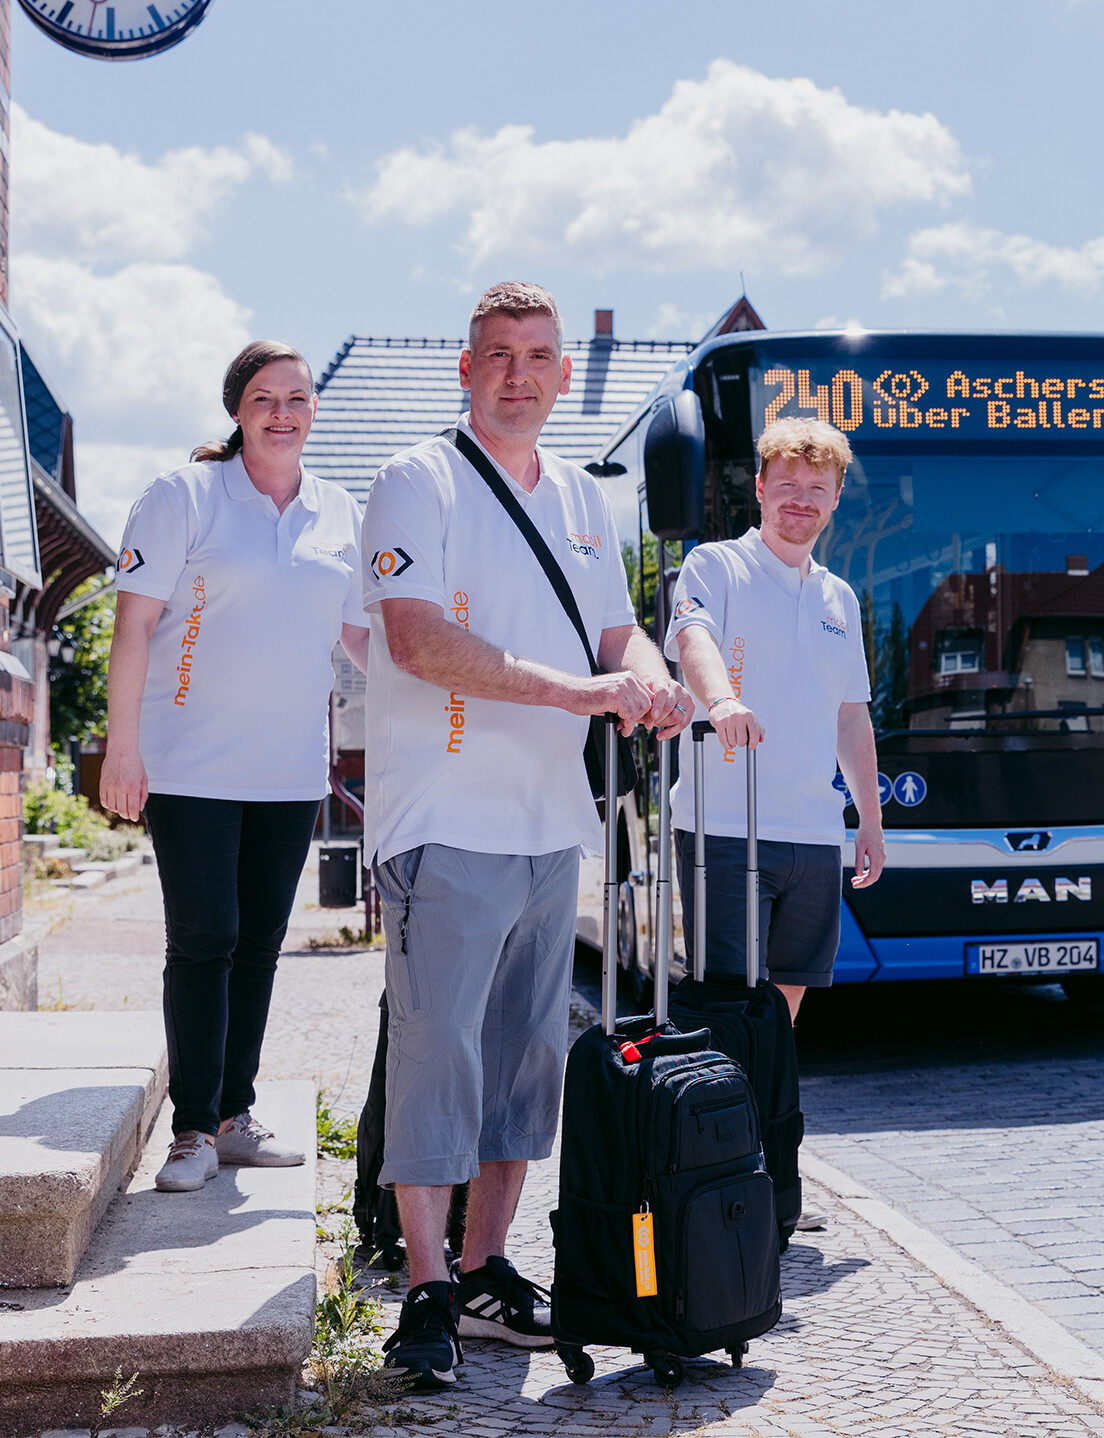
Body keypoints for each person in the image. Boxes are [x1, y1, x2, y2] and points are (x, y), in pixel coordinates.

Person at [362, 281, 692, 1391]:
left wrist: (647, 684)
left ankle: (488, 1268)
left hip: (554, 828)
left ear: (560, 374)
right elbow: (418, 641)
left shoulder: (588, 503)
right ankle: (423, 1291)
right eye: (498, 354)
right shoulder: (418, 480)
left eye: (540, 355)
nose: (520, 372)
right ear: (467, 372)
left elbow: (619, 629)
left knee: (521, 1071)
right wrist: (584, 694)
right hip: (444, 820)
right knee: (435, 1059)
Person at [100, 341, 371, 1193]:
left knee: (258, 945)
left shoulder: (338, 513)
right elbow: (135, 627)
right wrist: (123, 748)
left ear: (314, 412)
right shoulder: (184, 497)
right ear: (238, 411)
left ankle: (233, 1116)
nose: (282, 412)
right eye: (264, 398)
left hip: (288, 770)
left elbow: (364, 639)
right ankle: (189, 1132)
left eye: (297, 397)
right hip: (187, 767)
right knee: (204, 937)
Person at [666, 416, 885, 1027]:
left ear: (836, 499)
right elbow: (693, 639)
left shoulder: (840, 598)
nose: (801, 499)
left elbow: (850, 715)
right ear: (759, 487)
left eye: (818, 488)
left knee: (787, 997)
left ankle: (757, 1118)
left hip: (816, 832)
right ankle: (719, 1120)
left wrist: (869, 820)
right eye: (787, 483)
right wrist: (723, 701)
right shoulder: (715, 566)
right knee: (728, 1000)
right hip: (727, 824)